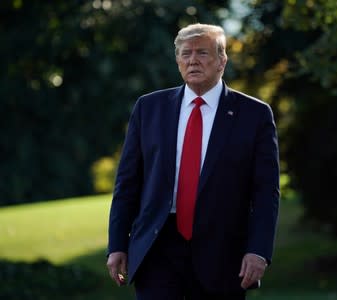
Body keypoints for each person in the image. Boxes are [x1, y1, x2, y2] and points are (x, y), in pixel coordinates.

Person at [106, 23, 280, 300]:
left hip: (222, 251)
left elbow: (265, 191)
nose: (192, 60)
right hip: (156, 247)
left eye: (202, 53)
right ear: (177, 61)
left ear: (222, 60)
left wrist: (258, 250)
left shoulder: (254, 115)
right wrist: (116, 244)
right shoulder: (149, 108)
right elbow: (127, 183)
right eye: (185, 54)